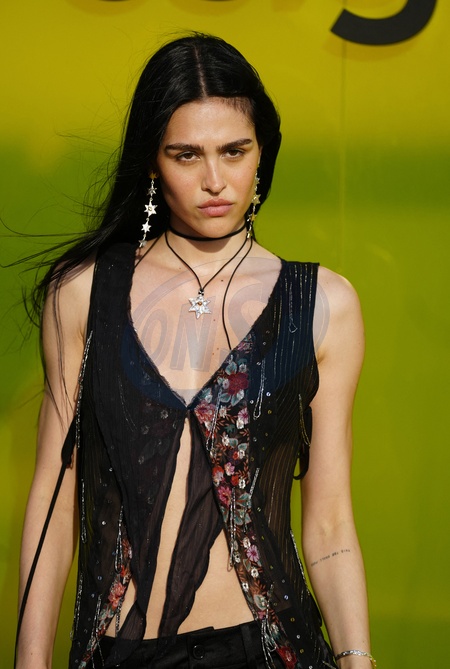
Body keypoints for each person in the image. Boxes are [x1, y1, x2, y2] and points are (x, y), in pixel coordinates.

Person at [16, 33, 374, 669]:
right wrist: (30, 659)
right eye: (186, 155)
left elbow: (329, 522)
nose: (214, 181)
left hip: (271, 648)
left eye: (234, 151)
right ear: (153, 163)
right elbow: (53, 496)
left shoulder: (323, 304)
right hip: (122, 649)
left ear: (262, 152)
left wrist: (357, 659)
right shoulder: (84, 293)